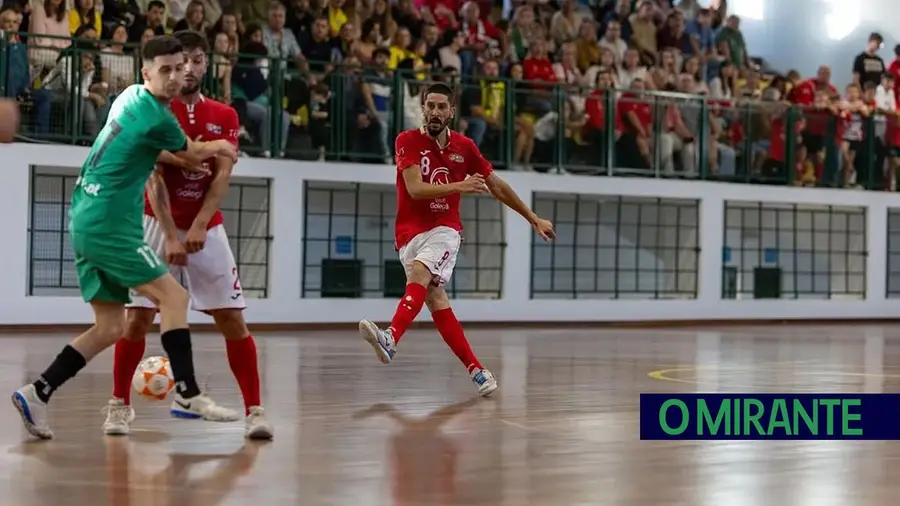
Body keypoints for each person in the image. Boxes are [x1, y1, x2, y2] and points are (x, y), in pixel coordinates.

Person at [11, 35, 238, 440]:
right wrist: (221, 144)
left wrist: (191, 154)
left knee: (110, 326)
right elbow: (189, 151)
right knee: (175, 298)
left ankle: (38, 391)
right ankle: (186, 392)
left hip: (84, 215)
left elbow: (165, 152)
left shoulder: (128, 96)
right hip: (110, 223)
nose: (175, 76)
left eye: (180, 67)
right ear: (146, 72)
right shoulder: (159, 117)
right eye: (165, 69)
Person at [101, 30, 274, 440]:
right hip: (153, 225)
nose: (189, 69)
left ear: (206, 64)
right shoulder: (155, 109)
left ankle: (255, 411)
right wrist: (171, 232)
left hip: (206, 228)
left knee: (232, 319)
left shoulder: (226, 115)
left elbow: (222, 176)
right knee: (138, 318)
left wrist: (198, 226)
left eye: (197, 60)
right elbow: (151, 172)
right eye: (182, 63)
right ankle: (118, 407)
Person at [358, 82, 556, 396]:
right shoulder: (407, 140)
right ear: (422, 107)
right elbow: (415, 189)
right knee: (435, 297)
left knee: (422, 274)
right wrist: (459, 186)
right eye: (430, 105)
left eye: (441, 107)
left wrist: (533, 218)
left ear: (452, 111)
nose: (435, 112)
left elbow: (497, 185)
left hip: (445, 229)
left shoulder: (465, 147)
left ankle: (391, 337)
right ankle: (477, 370)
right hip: (408, 233)